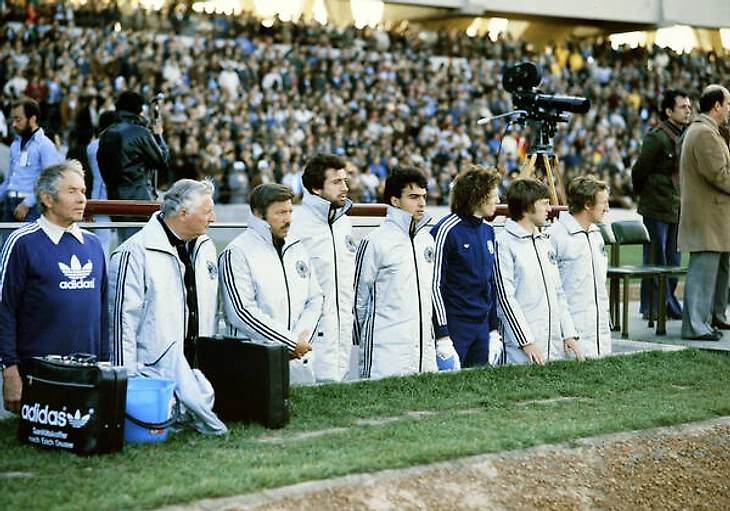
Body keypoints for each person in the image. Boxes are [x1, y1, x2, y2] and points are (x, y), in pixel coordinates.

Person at [108, 178, 227, 435]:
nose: (214, 218)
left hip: (197, 373)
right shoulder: (134, 253)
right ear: (182, 213)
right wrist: (126, 391)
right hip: (154, 377)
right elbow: (121, 326)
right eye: (207, 212)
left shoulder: (205, 247)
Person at [0, 160, 108, 414]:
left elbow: (102, 313)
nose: (82, 199)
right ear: (47, 198)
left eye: (83, 191)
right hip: (38, 376)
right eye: (71, 191)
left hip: (87, 375)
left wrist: (104, 364)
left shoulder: (93, 244)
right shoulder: (22, 243)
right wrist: (9, 371)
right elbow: (4, 310)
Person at [219, 183, 323, 385]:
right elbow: (241, 312)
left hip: (299, 363)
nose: (288, 219)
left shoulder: (297, 247)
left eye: (290, 211)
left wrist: (301, 340)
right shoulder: (236, 253)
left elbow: (315, 299)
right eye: (280, 213)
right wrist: (289, 343)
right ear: (258, 214)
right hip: (254, 366)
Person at [353, 167, 439, 379]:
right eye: (414, 197)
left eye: (424, 196)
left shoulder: (427, 240)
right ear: (395, 201)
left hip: (424, 352)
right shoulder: (374, 241)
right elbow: (358, 300)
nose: (422, 203)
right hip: (385, 353)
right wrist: (366, 340)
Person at [495, 178, 584, 365]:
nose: (549, 209)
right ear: (527, 207)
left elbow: (558, 293)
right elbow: (505, 299)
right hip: (520, 352)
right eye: (544, 203)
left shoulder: (544, 242)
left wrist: (568, 333)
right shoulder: (503, 244)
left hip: (552, 347)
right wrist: (525, 342)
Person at [289, 153, 356, 382]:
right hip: (309, 335)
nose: (344, 187)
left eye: (344, 180)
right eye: (336, 182)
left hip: (342, 329)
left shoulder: (343, 223)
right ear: (316, 188)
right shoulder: (296, 226)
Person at [430, 165, 502, 369]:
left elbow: (490, 284)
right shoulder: (446, 231)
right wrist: (442, 335)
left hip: (482, 328)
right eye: (494, 195)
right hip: (455, 327)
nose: (498, 201)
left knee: (480, 384)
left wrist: (493, 330)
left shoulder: (488, 231)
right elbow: (434, 286)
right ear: (478, 196)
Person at [632, 89, 691, 319]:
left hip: (676, 205)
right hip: (656, 205)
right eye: (683, 107)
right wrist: (647, 193)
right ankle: (653, 307)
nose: (688, 111)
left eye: (689, 107)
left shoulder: (687, 134)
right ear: (668, 111)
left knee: (673, 261)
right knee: (656, 259)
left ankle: (667, 302)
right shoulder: (656, 137)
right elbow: (640, 170)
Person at [678, 85, 730, 341]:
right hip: (708, 215)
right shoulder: (703, 133)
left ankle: (713, 317)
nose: (729, 110)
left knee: (719, 270)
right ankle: (695, 326)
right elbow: (719, 175)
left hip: (715, 214)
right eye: (728, 105)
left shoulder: (708, 131)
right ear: (717, 105)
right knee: (703, 271)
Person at [547, 175, 612, 358]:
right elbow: (553, 292)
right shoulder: (555, 236)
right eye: (603, 203)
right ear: (587, 205)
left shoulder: (596, 235)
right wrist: (567, 332)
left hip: (600, 335)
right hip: (570, 337)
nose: (607, 209)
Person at [97, 90, 168, 241]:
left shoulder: (107, 134)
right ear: (138, 109)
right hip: (139, 200)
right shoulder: (140, 133)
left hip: (115, 200)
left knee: (124, 243)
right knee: (141, 247)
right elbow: (162, 161)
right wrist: (158, 136)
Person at [0, 98, 62, 225]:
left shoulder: (45, 145)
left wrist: (27, 203)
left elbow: (49, 180)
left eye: (18, 120)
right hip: (10, 202)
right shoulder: (15, 145)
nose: (14, 124)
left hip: (32, 207)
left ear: (32, 119)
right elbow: (10, 179)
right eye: (13, 120)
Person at [86, 110, 118, 255]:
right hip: (108, 195)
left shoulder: (92, 146)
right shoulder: (107, 145)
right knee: (106, 240)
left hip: (99, 194)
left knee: (103, 240)